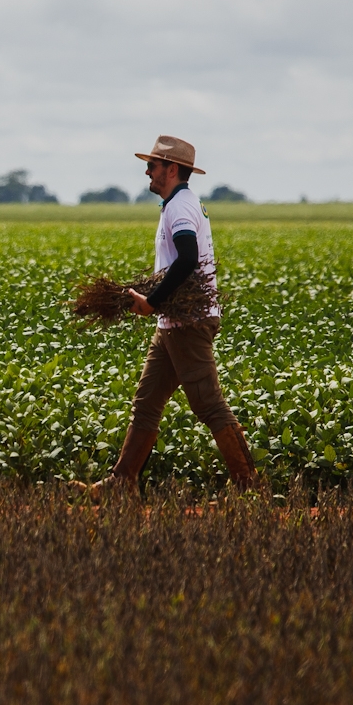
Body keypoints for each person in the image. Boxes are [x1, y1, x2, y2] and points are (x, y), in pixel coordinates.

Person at [87, 135, 264, 494]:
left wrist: (152, 300)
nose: (147, 171)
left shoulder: (181, 207)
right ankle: (121, 483)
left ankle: (249, 489)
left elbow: (187, 259)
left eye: (152, 165)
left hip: (188, 322)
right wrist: (157, 305)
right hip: (174, 321)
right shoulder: (177, 204)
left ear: (172, 169)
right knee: (147, 401)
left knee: (208, 404)